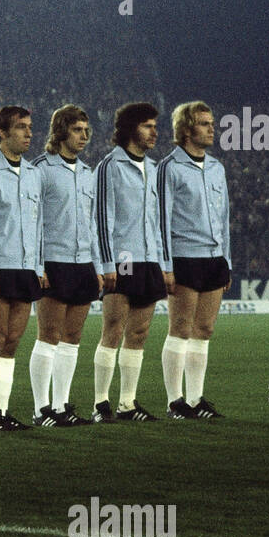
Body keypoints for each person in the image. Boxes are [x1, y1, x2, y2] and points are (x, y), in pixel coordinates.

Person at [92, 101, 171, 422]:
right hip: (122, 258)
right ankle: (100, 404)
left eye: (155, 126)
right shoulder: (110, 167)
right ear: (129, 129)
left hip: (149, 261)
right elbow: (101, 218)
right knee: (112, 327)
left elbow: (159, 221)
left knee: (139, 334)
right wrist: (106, 263)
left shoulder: (153, 169)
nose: (154, 132)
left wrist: (164, 264)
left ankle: (127, 404)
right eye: (147, 126)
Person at [30, 104, 102, 427]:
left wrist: (98, 266)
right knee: (48, 334)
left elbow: (93, 224)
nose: (84, 136)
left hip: (83, 263)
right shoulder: (39, 170)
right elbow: (30, 222)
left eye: (86, 130)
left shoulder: (88, 173)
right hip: (53, 262)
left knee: (72, 337)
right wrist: (36, 264)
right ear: (61, 131)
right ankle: (40, 408)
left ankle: (61, 406)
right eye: (77, 130)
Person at [0, 105, 44, 431]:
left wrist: (39, 265)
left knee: (13, 342)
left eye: (30, 127)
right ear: (2, 132)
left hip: (25, 268)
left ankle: (1, 411)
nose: (29, 133)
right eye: (21, 127)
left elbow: (38, 224)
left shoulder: (32, 173)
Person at [159, 101, 230, 419]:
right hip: (184, 257)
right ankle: (175, 401)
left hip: (214, 258)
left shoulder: (217, 168)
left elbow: (224, 217)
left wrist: (227, 259)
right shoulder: (169, 168)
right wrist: (165, 265)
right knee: (180, 329)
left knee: (204, 330)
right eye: (204, 123)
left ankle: (196, 398)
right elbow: (160, 218)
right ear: (186, 130)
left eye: (212, 122)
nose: (212, 128)